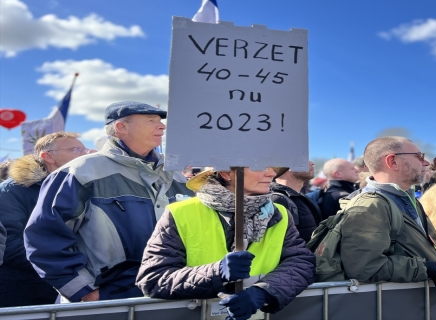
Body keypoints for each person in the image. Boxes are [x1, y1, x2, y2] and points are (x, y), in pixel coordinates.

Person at [24, 101, 194, 302]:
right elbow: (45, 237)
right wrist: (83, 292)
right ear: (121, 128)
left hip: (170, 296)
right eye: (151, 121)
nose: (162, 126)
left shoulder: (177, 177)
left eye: (160, 121)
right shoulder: (81, 172)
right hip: (105, 302)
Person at [136, 168, 315, 320]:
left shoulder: (280, 213)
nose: (271, 173)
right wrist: (216, 271)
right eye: (258, 166)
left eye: (270, 166)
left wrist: (264, 291)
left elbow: (301, 262)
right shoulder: (180, 212)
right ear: (226, 173)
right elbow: (153, 278)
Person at [334, 137, 436, 295]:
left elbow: (429, 247)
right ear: (393, 162)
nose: (426, 163)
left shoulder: (408, 199)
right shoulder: (368, 206)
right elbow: (365, 266)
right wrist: (432, 269)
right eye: (419, 156)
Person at [0, 132, 88, 307]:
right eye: (75, 149)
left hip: (73, 283)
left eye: (84, 149)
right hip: (23, 289)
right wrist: (60, 267)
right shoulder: (13, 190)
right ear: (48, 156)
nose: (85, 154)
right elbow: (8, 243)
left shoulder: (79, 186)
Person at [270, 162, 322, 243]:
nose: (312, 163)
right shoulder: (276, 199)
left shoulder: (303, 197)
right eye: (304, 160)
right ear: (288, 167)